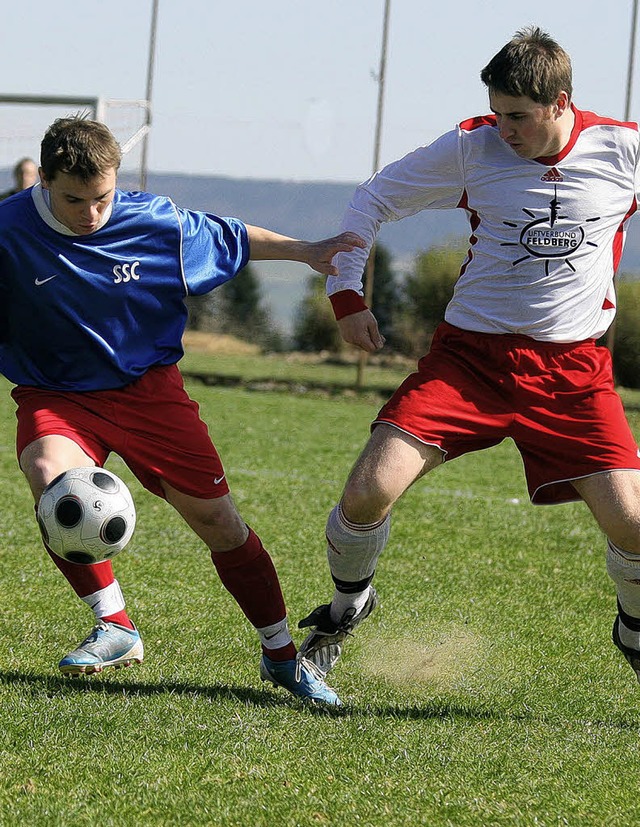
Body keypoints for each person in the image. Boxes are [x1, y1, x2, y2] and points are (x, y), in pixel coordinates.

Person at [298, 26, 640, 688]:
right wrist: (346, 293)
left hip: (572, 373)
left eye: (518, 117)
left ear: (560, 102)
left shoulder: (623, 150)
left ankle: (633, 629)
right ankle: (345, 608)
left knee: (634, 522)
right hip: (469, 363)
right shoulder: (471, 146)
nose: (503, 129)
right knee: (367, 490)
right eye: (497, 112)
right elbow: (373, 199)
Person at [0, 116, 365, 706]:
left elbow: (235, 239)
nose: (92, 213)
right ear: (43, 181)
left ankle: (283, 658)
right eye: (74, 199)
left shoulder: (151, 221)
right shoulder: (8, 230)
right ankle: (115, 626)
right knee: (51, 479)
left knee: (221, 526)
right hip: (58, 395)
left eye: (103, 198)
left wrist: (308, 252)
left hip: (150, 393)